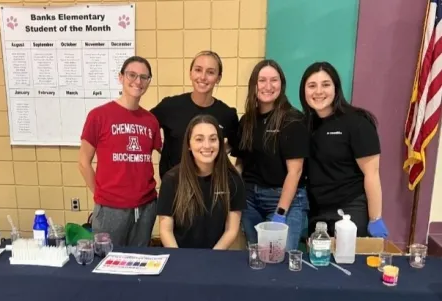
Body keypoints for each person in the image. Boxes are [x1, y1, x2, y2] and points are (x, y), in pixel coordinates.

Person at [78, 56, 162, 247]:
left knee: (138, 263)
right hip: (110, 208)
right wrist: (101, 195)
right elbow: (83, 161)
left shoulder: (151, 121)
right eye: (132, 75)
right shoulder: (99, 116)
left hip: (145, 206)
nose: (137, 81)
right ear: (121, 77)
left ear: (149, 81)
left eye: (144, 77)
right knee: (107, 263)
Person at [299, 61, 389, 238]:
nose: (318, 91)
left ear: (336, 88)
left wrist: (375, 218)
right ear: (304, 91)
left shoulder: (357, 122)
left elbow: (372, 173)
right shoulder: (304, 125)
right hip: (317, 211)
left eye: (325, 85)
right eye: (312, 86)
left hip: (350, 210)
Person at [228, 59, 310, 251]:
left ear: (281, 84)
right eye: (262, 80)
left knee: (280, 259)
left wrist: (280, 213)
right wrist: (233, 192)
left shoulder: (293, 120)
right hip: (250, 200)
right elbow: (241, 162)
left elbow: (295, 172)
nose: (268, 86)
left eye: (274, 80)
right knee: (257, 257)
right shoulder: (247, 120)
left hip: (284, 199)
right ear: (254, 85)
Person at [157, 114, 246, 249]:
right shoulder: (171, 179)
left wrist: (212, 257)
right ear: (188, 144)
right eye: (199, 139)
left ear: (220, 143)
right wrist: (180, 259)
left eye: (213, 139)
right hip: (180, 255)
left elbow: (231, 230)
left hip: (216, 255)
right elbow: (165, 230)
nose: (207, 145)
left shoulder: (233, 180)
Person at [151, 51, 240, 179]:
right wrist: (161, 148)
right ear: (190, 73)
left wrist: (215, 153)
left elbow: (234, 143)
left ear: (218, 78)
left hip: (210, 187)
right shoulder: (170, 106)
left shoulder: (227, 114)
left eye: (210, 72)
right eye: (198, 70)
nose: (203, 77)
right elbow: (145, 127)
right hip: (174, 188)